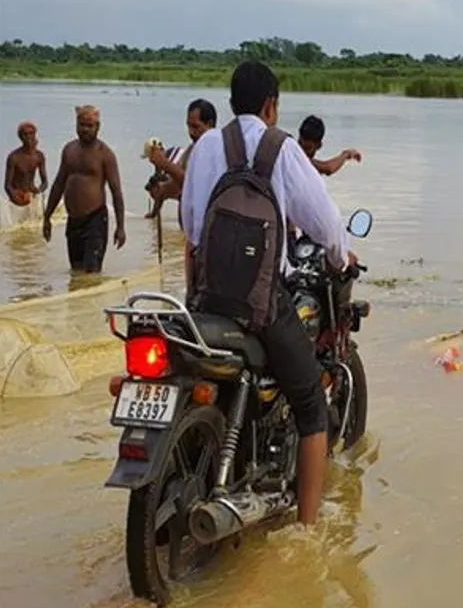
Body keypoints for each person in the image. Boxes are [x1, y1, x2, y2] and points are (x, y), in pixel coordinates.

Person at [181, 60, 358, 527]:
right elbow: (325, 223)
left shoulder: (206, 147)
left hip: (204, 300)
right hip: (260, 304)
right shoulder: (281, 149)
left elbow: (191, 227)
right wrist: (341, 257)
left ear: (230, 103)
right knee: (311, 404)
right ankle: (308, 530)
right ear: (271, 106)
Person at [42, 105, 126, 273]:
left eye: (90, 125)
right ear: (76, 124)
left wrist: (120, 227)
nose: (85, 129)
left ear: (98, 127)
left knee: (91, 272)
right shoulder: (69, 150)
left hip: (95, 220)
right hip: (73, 220)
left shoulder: (105, 154)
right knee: (76, 272)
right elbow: (58, 184)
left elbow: (116, 192)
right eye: (82, 125)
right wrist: (47, 216)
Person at [146, 98, 217, 220]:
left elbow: (193, 185)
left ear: (209, 124)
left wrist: (165, 164)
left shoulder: (216, 149)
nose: (191, 132)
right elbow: (175, 185)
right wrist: (160, 189)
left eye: (195, 127)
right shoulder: (191, 150)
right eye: (188, 126)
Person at [298, 116, 362, 176]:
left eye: (307, 148)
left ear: (319, 146)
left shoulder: (305, 163)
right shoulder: (295, 157)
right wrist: (346, 154)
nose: (301, 151)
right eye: (299, 144)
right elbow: (329, 168)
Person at [4, 120, 48, 207]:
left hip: (31, 195)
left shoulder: (39, 156)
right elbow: (7, 185)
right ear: (20, 137)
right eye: (25, 134)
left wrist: (38, 191)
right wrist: (15, 198)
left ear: (35, 135)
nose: (28, 137)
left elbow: (45, 182)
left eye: (31, 133)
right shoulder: (14, 157)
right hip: (17, 197)